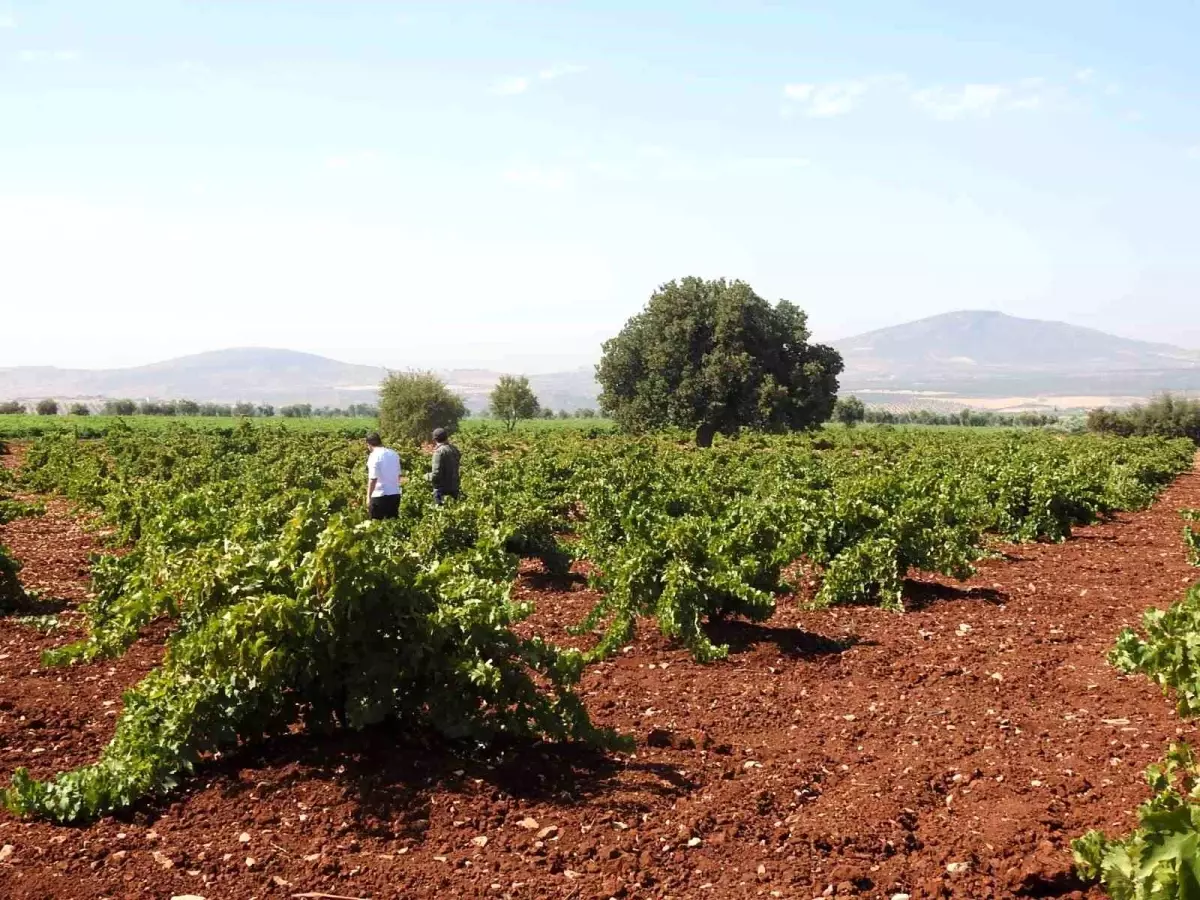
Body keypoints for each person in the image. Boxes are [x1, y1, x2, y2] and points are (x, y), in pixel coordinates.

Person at [365, 432, 401, 519]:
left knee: (377, 526)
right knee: (392, 526)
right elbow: (398, 475)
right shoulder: (394, 453)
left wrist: (368, 497)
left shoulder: (374, 456)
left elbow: (373, 479)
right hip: (394, 494)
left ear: (369, 444)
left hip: (379, 496)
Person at [427, 427, 460, 504]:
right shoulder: (454, 449)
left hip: (441, 490)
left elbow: (436, 474)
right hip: (454, 487)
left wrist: (426, 476)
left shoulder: (439, 452)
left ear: (435, 439)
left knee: (440, 513)